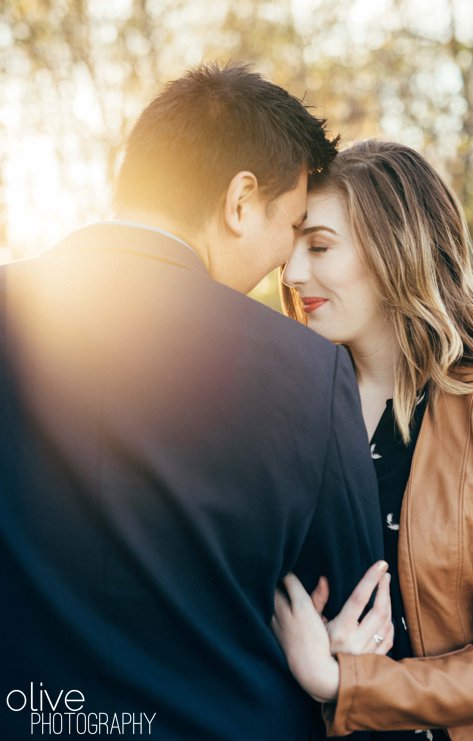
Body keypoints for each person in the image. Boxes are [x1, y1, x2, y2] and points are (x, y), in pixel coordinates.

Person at [0, 63, 382, 740]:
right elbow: (349, 594)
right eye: (290, 224)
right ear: (240, 202)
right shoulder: (308, 368)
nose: (285, 262)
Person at [271, 140, 473, 741]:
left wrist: (346, 681)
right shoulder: (279, 404)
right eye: (291, 247)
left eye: (318, 246)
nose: (291, 273)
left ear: (396, 249)